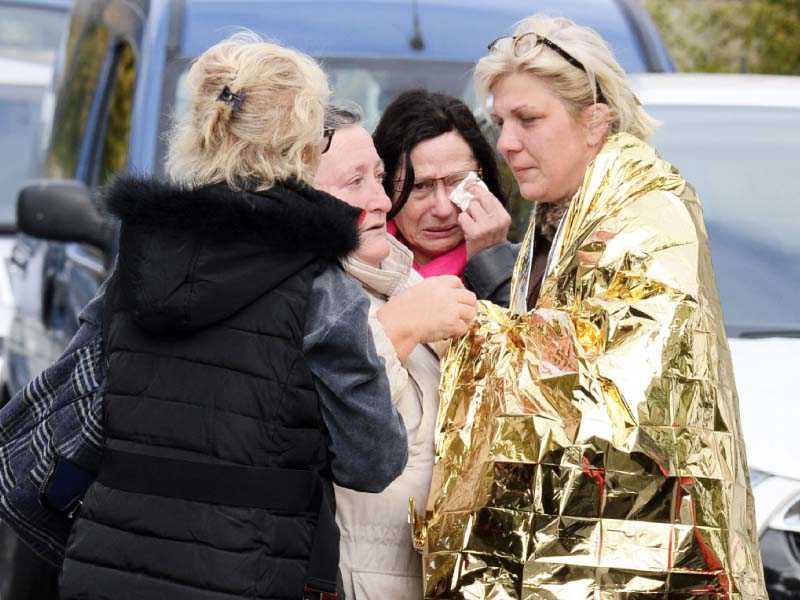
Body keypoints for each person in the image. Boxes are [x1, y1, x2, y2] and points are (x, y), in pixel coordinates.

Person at [418, 14, 767, 599]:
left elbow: (608, 395)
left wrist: (443, 320)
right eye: (501, 121)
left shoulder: (648, 215)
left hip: (646, 567)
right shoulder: (559, 213)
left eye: (529, 119)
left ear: (596, 118)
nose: (505, 142)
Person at [49, 34, 408, 600]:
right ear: (304, 145)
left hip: (106, 564)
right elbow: (373, 461)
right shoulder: (321, 282)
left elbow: (75, 399)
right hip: (250, 574)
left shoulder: (139, 259)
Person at [314, 102, 477, 599]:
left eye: (380, 179)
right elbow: (321, 431)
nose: (381, 200)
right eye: (354, 182)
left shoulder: (396, 279)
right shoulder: (304, 293)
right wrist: (398, 329)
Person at [373, 90, 516, 306]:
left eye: (458, 182)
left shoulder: (527, 270)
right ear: (384, 188)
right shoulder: (356, 274)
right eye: (420, 186)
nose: (443, 209)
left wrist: (491, 262)